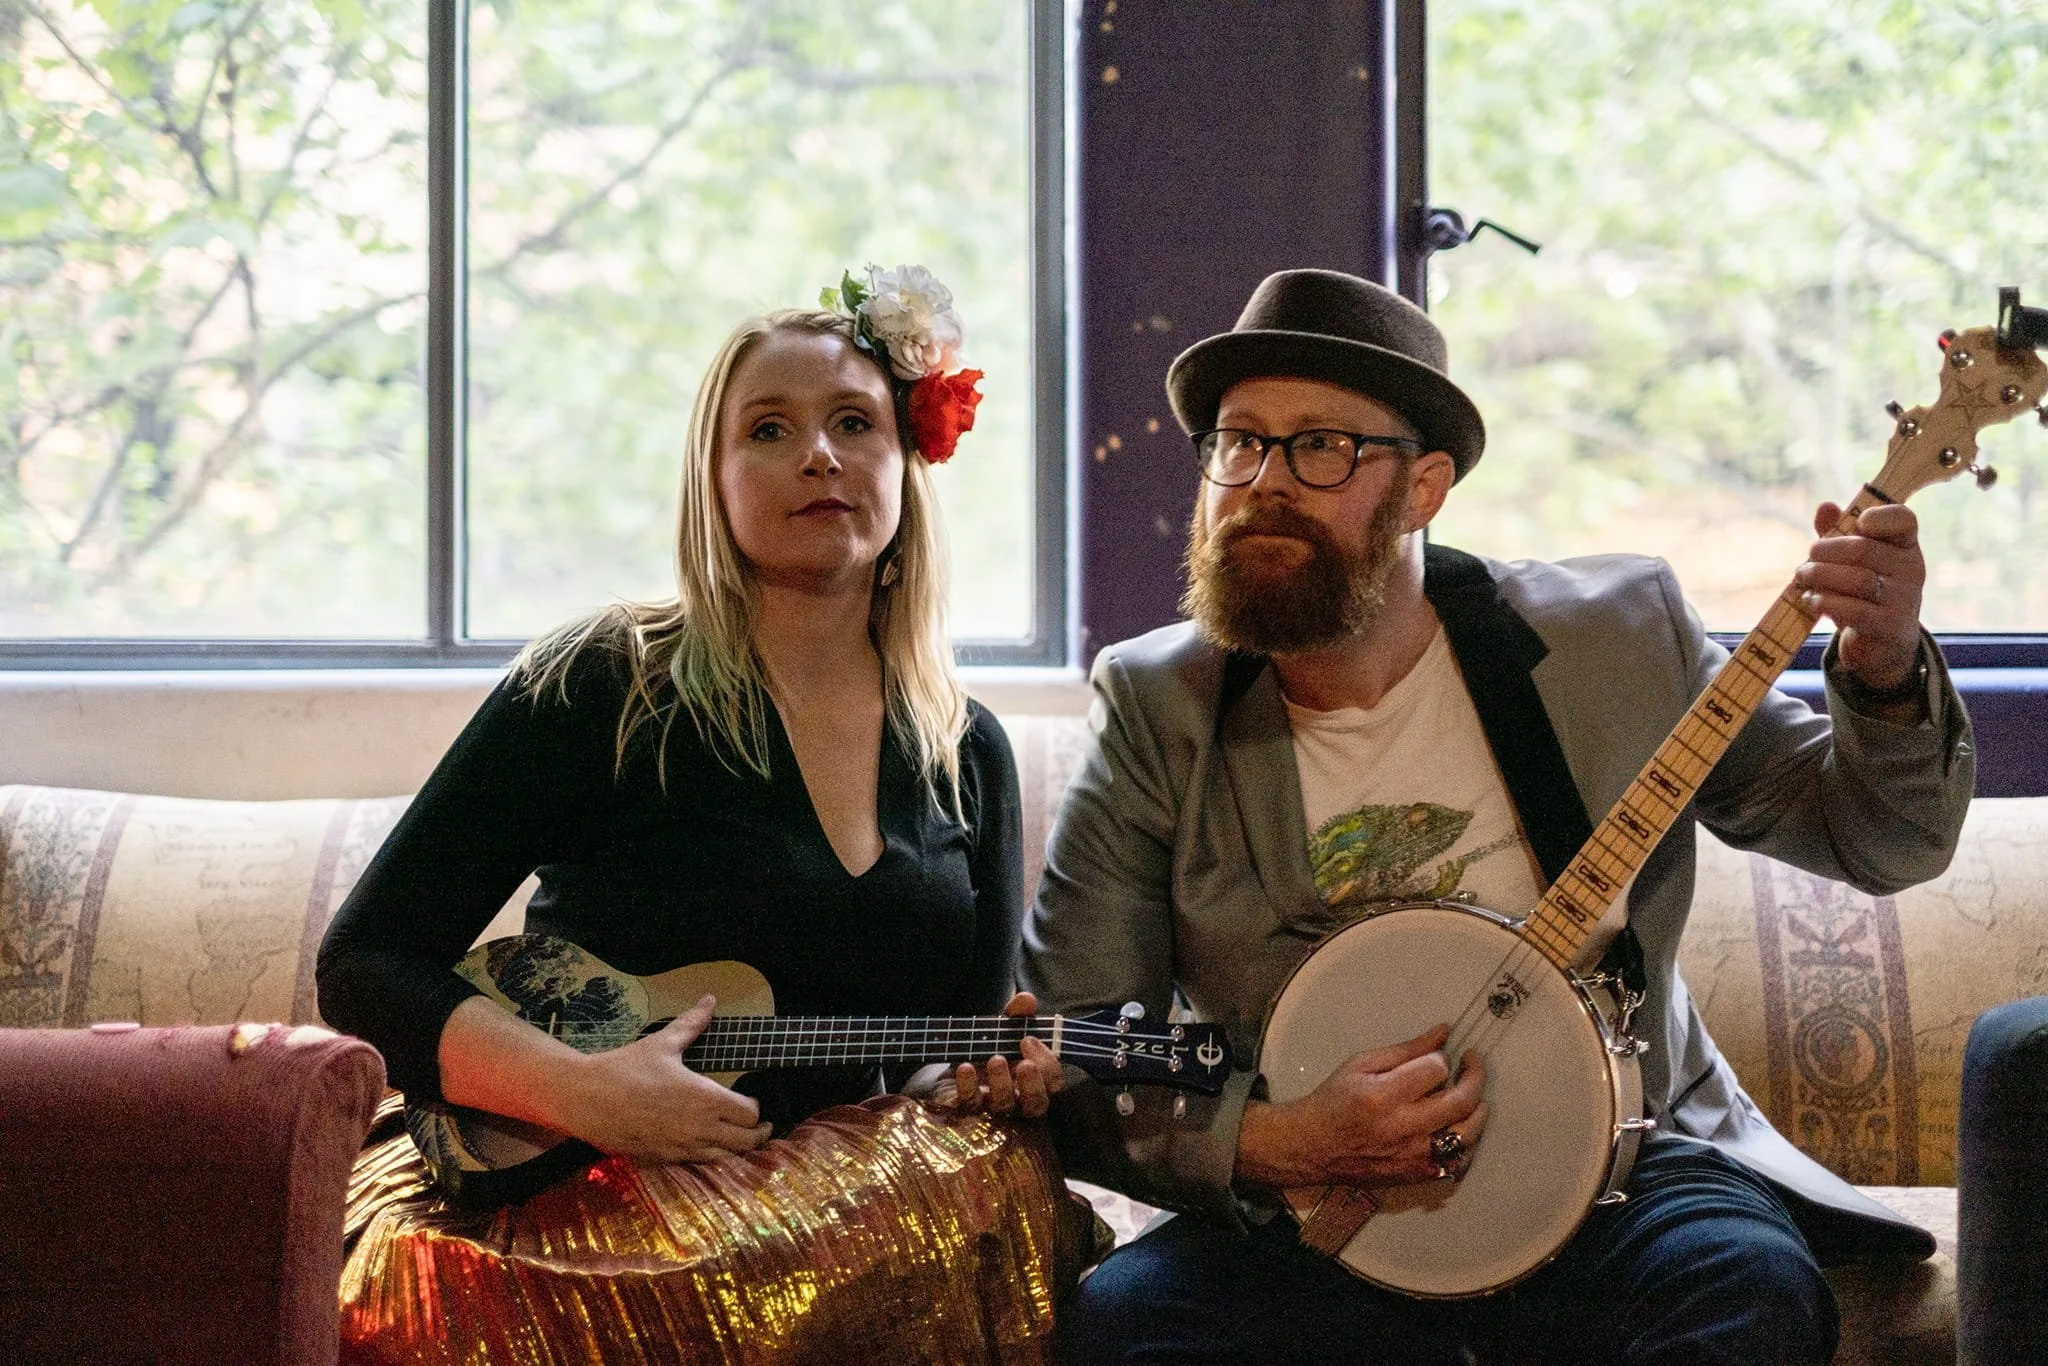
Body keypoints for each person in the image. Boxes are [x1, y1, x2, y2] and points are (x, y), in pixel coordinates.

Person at [1023, 268, 1974, 1364]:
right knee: (1129, 1328)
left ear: (1425, 487)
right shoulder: (1157, 705)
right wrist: (1277, 1140)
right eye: (1238, 444)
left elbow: (1881, 841)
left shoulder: (1616, 638)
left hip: (1622, 1168)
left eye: (1320, 446)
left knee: (1745, 1292)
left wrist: (1884, 671)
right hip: (1312, 1198)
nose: (1263, 482)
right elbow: (1075, 1041)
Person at [318, 263, 1058, 1190]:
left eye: (854, 422)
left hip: (845, 1206)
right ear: (715, 482)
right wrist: (582, 1093)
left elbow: (944, 1058)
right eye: (769, 429)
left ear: (905, 463)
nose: (819, 455)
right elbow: (363, 963)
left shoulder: (968, 749)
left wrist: (979, 1083)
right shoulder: (601, 682)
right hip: (591, 1196)